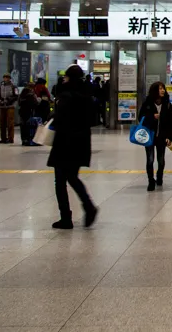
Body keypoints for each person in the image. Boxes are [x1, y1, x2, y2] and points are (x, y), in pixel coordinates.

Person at [49, 65, 98, 229]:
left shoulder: (66, 95)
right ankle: (88, 206)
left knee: (60, 181)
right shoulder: (87, 95)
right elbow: (93, 119)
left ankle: (66, 217)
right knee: (72, 177)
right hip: (81, 142)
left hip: (64, 142)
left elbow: (59, 119)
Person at [138, 81, 172, 190]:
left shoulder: (167, 104)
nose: (163, 90)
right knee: (150, 159)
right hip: (149, 136)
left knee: (161, 160)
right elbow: (141, 117)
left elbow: (170, 122)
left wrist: (170, 137)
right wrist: (152, 116)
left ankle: (160, 177)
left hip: (162, 136)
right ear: (155, 90)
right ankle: (151, 181)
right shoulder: (147, 103)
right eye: (160, 88)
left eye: (163, 88)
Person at [0, 73, 18, 144]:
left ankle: (10, 138)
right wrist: (0, 100)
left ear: (9, 78)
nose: (6, 79)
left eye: (7, 78)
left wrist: (9, 100)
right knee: (2, 122)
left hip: (10, 106)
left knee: (10, 122)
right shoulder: (1, 86)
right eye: (5, 77)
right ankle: (3, 138)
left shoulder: (13, 86)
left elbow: (16, 96)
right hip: (2, 106)